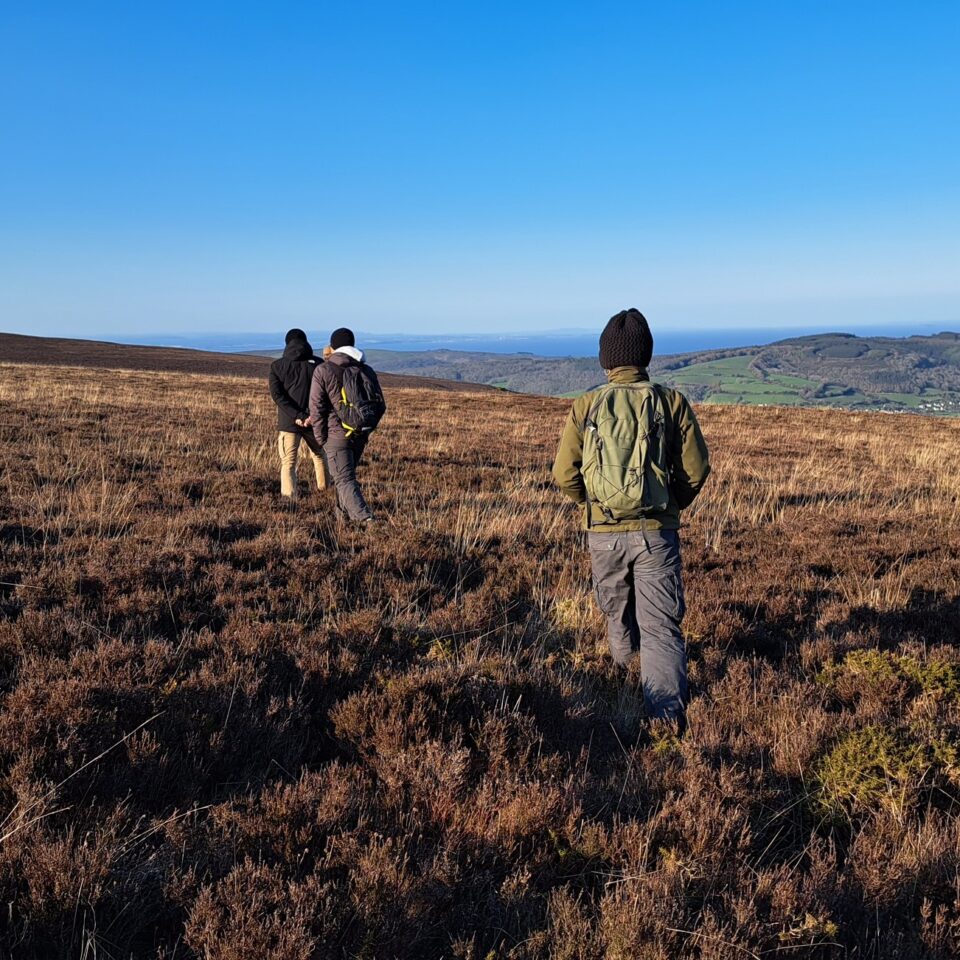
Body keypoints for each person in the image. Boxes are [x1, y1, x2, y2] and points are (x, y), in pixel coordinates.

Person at [552, 309, 711, 737]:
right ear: (646, 356)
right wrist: (669, 505)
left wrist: (595, 505)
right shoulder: (670, 401)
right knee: (661, 626)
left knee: (616, 612)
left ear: (606, 359)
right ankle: (665, 723)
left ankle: (623, 685)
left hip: (602, 534)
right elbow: (696, 469)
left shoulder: (586, 405)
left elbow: (564, 474)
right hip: (656, 532)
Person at [309, 327, 385, 524]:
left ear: (333, 347)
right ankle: (343, 521)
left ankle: (367, 520)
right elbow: (380, 404)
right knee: (345, 477)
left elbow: (316, 408)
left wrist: (320, 439)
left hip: (336, 435)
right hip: (360, 432)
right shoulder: (366, 369)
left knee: (344, 480)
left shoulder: (324, 370)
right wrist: (368, 427)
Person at [269, 328, 330, 502]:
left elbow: (278, 396)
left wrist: (296, 415)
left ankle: (289, 499)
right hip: (314, 421)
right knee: (319, 455)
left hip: (289, 422)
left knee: (288, 461)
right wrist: (310, 416)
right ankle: (325, 491)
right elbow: (324, 394)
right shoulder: (319, 364)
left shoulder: (277, 366)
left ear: (287, 343)